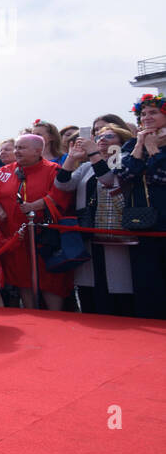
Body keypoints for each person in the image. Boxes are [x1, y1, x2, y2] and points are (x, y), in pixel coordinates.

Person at [0, 134, 74, 310]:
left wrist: (35, 205)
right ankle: (31, 313)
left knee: (50, 279)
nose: (17, 151)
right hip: (14, 236)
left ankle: (55, 317)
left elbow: (59, 195)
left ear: (37, 150)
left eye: (22, 148)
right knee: (22, 278)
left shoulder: (53, 170)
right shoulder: (3, 172)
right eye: (16, 147)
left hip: (44, 235)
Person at [57, 126, 133, 316]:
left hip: (114, 227)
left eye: (110, 136)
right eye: (99, 137)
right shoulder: (86, 166)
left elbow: (108, 178)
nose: (103, 139)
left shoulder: (121, 158)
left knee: (117, 276)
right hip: (88, 227)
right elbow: (63, 184)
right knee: (90, 277)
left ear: (121, 140)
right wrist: (72, 158)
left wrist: (92, 152)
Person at [115, 94, 166, 319]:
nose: (147, 117)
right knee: (145, 276)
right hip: (142, 220)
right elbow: (122, 174)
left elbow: (161, 177)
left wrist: (154, 150)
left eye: (153, 112)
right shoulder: (130, 144)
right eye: (143, 113)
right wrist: (139, 146)